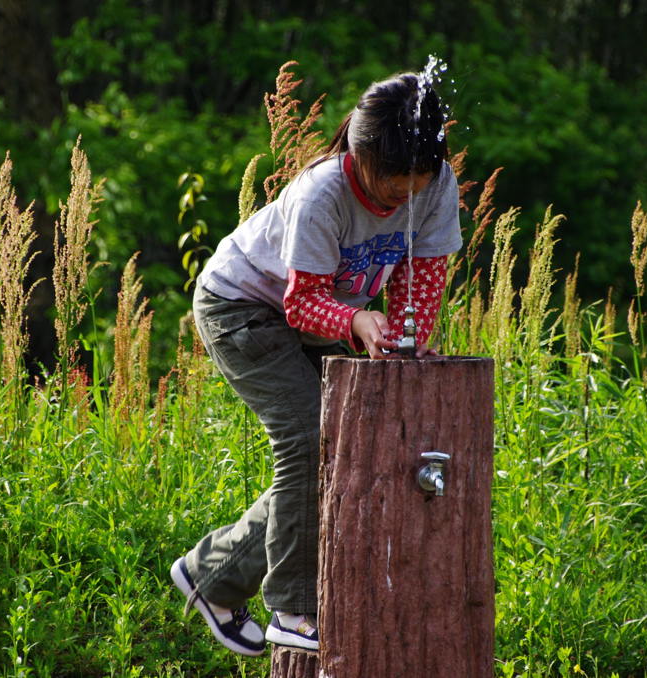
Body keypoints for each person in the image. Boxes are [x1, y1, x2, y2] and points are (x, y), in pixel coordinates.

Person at [169, 70, 462, 655]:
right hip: (243, 308)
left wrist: (404, 340)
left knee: (349, 444)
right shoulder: (321, 193)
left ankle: (212, 576)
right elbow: (301, 304)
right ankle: (294, 608)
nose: (403, 196)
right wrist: (357, 322)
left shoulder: (435, 187)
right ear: (360, 152)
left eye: (416, 183)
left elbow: (419, 274)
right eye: (390, 184)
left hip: (323, 312)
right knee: (309, 438)